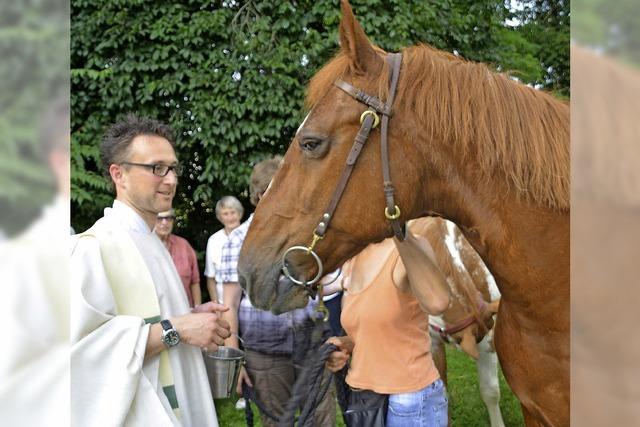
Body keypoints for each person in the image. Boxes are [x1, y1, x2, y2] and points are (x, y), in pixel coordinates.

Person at [71, 114, 231, 426]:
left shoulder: (152, 242)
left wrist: (192, 315)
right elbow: (78, 355)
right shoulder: (93, 248)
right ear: (119, 174)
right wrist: (178, 329)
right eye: (157, 168)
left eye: (173, 168)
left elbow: (152, 318)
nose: (171, 179)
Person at [218, 157, 336, 427]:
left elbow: (322, 284)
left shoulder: (308, 234)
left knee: (321, 420)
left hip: (311, 345)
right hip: (264, 352)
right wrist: (234, 361)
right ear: (260, 195)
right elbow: (230, 304)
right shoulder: (238, 240)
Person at [326, 224, 451, 427]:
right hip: (364, 400)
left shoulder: (409, 247)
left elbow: (438, 302)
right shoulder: (353, 258)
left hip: (409, 401)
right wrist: (342, 345)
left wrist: (399, 227)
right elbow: (372, 332)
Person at [155, 208, 201, 307]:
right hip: (158, 315)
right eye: (159, 218)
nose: (164, 222)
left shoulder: (184, 245)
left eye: (168, 218)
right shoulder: (145, 247)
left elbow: (195, 281)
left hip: (185, 310)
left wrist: (197, 307)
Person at [204, 196, 243, 304]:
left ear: (239, 213)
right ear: (220, 217)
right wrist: (216, 305)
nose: (230, 217)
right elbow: (211, 278)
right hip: (224, 305)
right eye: (225, 214)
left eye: (232, 212)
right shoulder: (213, 240)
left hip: (247, 304)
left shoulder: (250, 235)